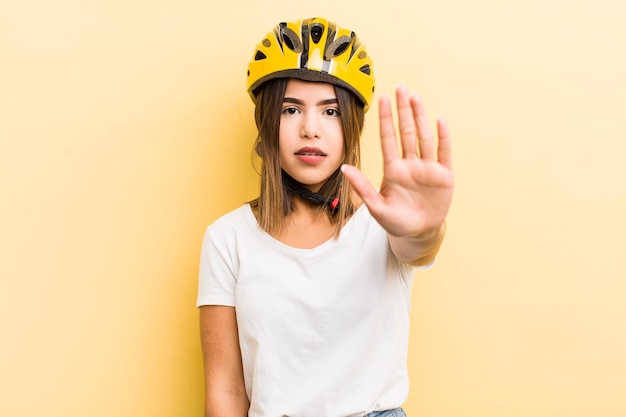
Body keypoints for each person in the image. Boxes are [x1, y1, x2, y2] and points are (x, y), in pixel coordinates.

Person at [197, 17, 454, 417]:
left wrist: (425, 226)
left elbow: (418, 246)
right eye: (290, 109)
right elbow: (226, 394)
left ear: (352, 125)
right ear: (266, 123)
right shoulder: (227, 239)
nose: (310, 129)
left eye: (330, 111)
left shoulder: (385, 226)